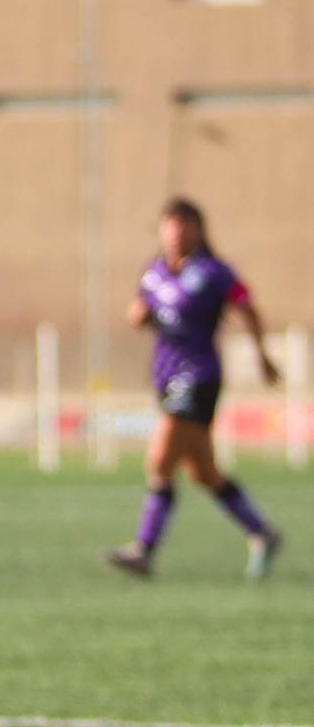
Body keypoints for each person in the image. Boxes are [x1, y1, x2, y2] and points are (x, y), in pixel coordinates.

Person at [106, 198, 283, 578]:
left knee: (159, 461)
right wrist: (137, 315)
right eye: (170, 224)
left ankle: (144, 548)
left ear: (200, 229)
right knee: (203, 472)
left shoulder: (213, 272)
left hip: (199, 375)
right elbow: (141, 309)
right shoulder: (153, 272)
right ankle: (261, 532)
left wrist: (261, 354)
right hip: (165, 376)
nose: (176, 231)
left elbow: (246, 304)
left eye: (185, 224)